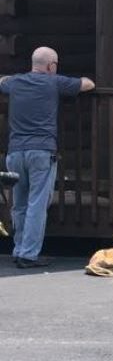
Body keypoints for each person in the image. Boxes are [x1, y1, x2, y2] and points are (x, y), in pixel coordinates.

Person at [1, 47, 94, 268]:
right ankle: (28, 254)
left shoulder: (15, 82)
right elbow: (88, 83)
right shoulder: (54, 82)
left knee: (19, 204)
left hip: (14, 153)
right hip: (41, 151)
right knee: (36, 204)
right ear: (51, 66)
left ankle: (18, 248)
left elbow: (2, 80)